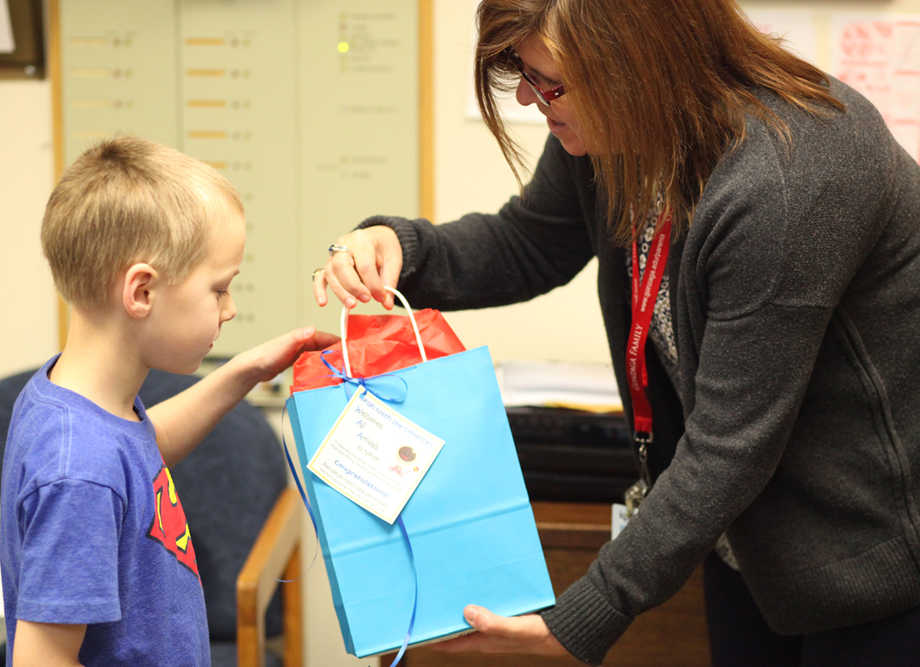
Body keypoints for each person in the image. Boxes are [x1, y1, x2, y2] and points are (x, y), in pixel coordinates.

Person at [311, 0, 920, 665]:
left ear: (636, 59)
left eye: (549, 80)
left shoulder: (791, 176)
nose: (526, 95)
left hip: (876, 569)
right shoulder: (619, 131)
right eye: (522, 71)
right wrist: (401, 247)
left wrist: (582, 614)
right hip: (747, 547)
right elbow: (528, 243)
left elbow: (728, 448)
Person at [0, 136, 335, 666]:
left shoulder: (75, 405)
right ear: (141, 293)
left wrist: (244, 371)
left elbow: (138, 456)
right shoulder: (78, 472)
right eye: (219, 289)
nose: (229, 308)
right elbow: (43, 660)